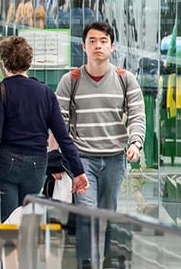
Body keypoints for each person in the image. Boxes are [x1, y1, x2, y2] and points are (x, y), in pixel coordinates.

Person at [55, 21, 145, 267]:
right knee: (87, 214)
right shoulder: (71, 80)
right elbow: (59, 122)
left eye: (103, 41)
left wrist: (135, 143)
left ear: (112, 46)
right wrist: (62, 156)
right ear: (83, 46)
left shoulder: (125, 79)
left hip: (115, 159)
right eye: (92, 41)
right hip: (82, 159)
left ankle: (105, 261)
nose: (98, 46)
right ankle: (86, 263)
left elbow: (137, 116)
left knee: (107, 215)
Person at [0, 36, 89, 222]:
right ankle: (28, 242)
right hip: (37, 164)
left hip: (6, 163)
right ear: (29, 62)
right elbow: (63, 136)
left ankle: (10, 242)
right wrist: (78, 172)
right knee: (30, 220)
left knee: (9, 220)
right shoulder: (45, 92)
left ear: (4, 62)